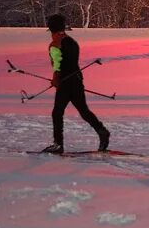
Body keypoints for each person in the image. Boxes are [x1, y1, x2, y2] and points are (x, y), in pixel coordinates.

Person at [41, 14, 109, 154]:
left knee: (57, 113)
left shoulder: (55, 44)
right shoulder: (72, 41)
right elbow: (72, 62)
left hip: (65, 83)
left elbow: (58, 64)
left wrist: (56, 79)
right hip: (77, 81)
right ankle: (102, 131)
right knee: (84, 111)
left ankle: (58, 144)